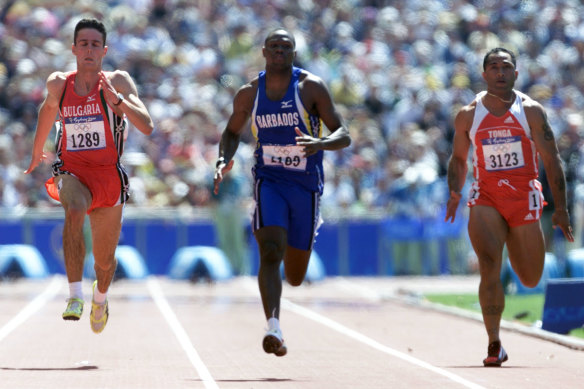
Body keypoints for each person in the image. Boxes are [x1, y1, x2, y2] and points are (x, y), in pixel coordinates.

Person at [213, 28, 351, 357]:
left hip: (305, 185)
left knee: (296, 274)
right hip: (269, 180)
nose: (279, 51)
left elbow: (343, 134)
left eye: (285, 47)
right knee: (270, 250)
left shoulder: (310, 88)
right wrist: (223, 158)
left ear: (293, 53)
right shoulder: (250, 93)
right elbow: (231, 132)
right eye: (273, 46)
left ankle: (295, 260)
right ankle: (273, 325)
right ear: (263, 52)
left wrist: (321, 143)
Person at [445, 47, 574, 366]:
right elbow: (459, 158)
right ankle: (494, 343)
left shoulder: (530, 110)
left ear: (516, 74)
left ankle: (499, 328)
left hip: (523, 197)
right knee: (488, 265)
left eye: (506, 67)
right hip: (486, 196)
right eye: (493, 67)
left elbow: (552, 159)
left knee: (530, 278)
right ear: (484, 74)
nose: (500, 72)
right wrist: (454, 193)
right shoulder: (468, 114)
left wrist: (561, 209)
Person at [24, 18, 154, 333]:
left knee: (105, 263)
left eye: (95, 44)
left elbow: (147, 125)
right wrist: (37, 150)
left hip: (109, 177)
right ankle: (74, 295)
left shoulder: (118, 81)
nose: (89, 50)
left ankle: (100, 298)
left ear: (104, 50)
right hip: (73, 171)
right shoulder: (59, 83)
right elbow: (47, 110)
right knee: (75, 209)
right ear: (73, 48)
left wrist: (117, 101)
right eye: (83, 44)